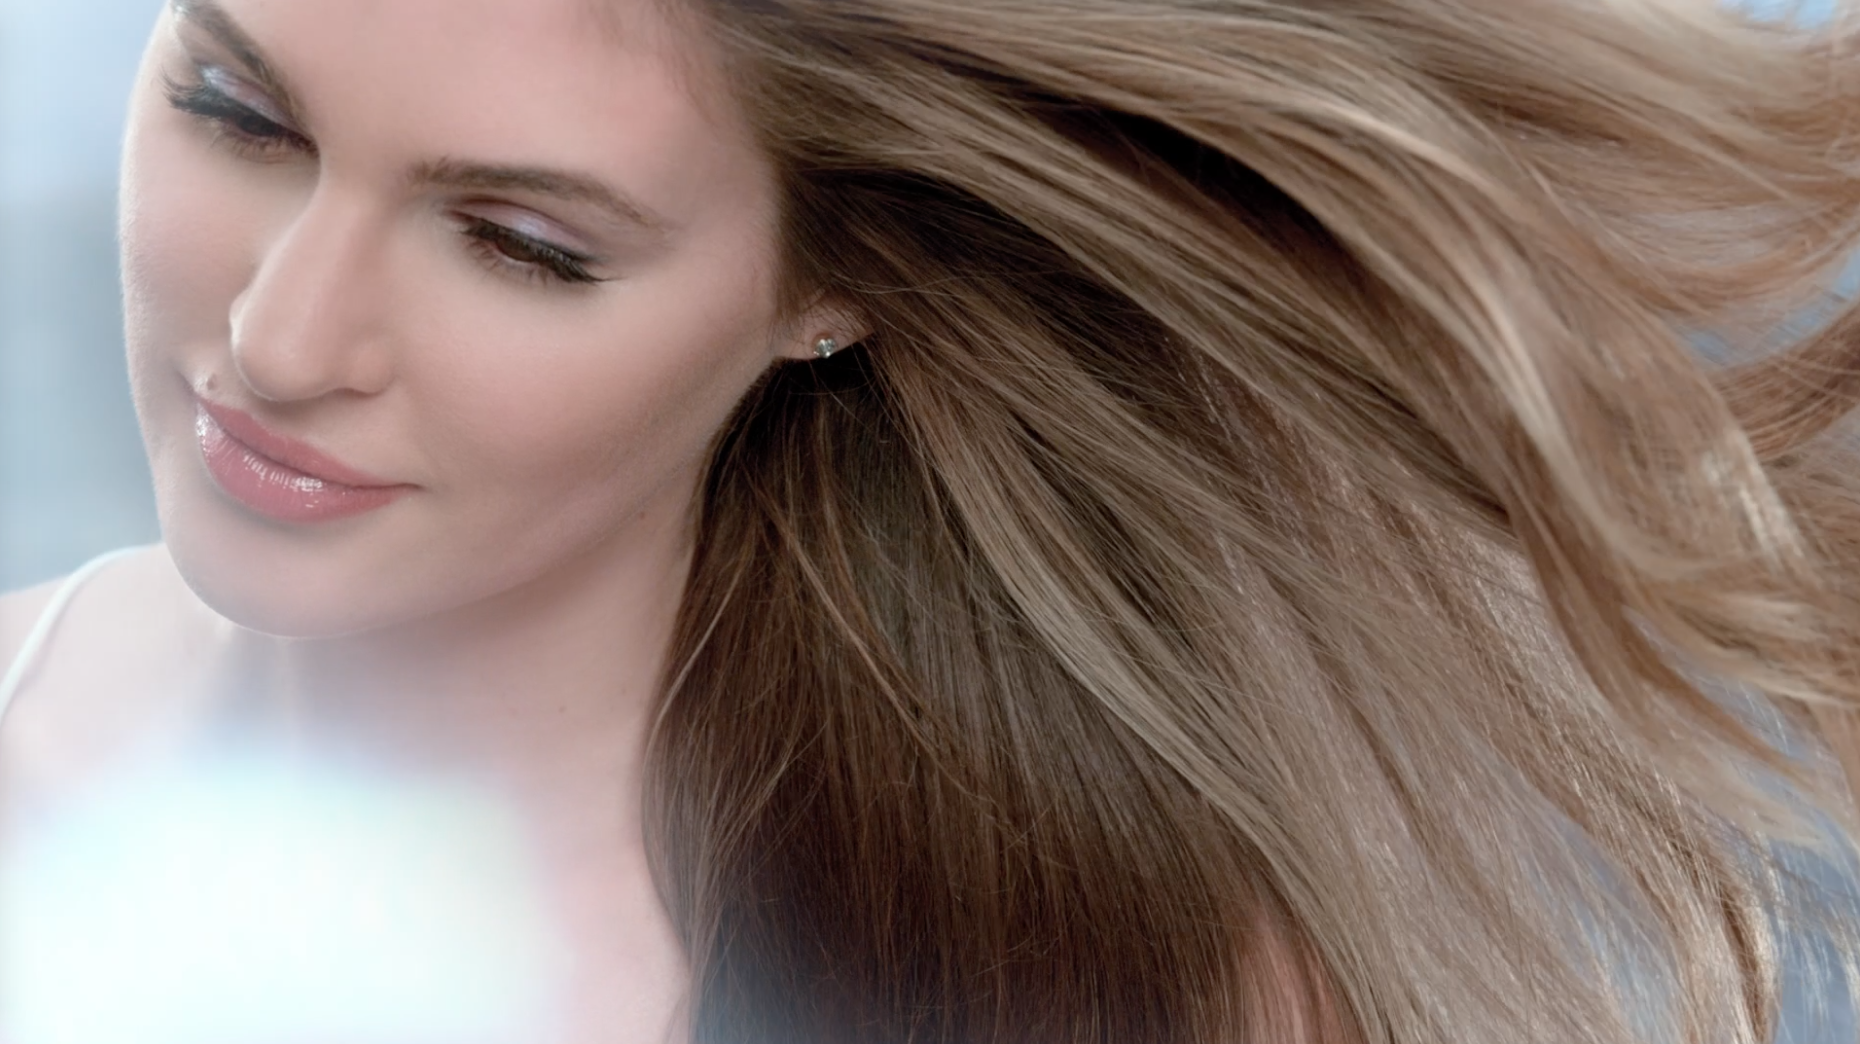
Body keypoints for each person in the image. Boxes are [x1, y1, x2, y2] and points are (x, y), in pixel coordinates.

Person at [4, 0, 1860, 1040]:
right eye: (238, 115)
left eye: (522, 245)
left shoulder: (1088, 975)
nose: (281, 339)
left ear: (832, 287)